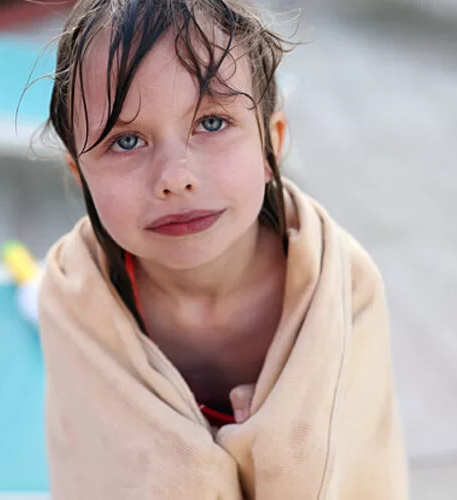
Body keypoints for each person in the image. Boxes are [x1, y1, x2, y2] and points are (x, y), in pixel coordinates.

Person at [38, 0, 409, 497]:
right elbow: (99, 469)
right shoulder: (74, 301)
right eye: (126, 142)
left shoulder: (345, 288)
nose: (175, 179)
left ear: (270, 147)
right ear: (79, 172)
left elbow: (360, 466)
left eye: (211, 123)